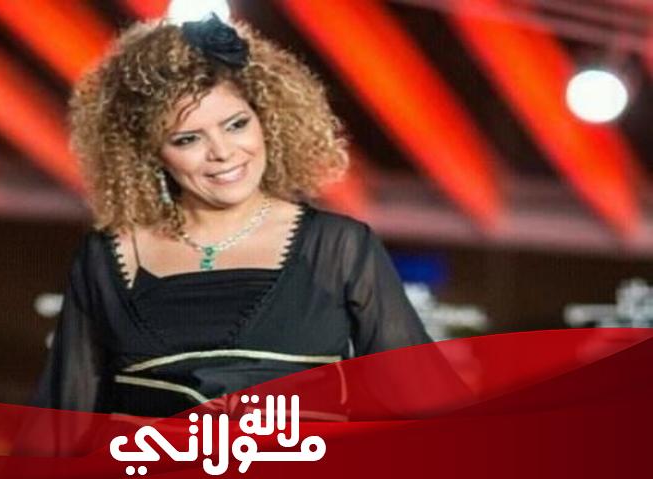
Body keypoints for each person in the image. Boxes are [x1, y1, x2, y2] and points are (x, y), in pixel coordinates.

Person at [34, 15, 432, 418]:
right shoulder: (104, 259)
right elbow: (61, 426)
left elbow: (423, 405)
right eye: (188, 139)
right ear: (149, 153)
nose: (223, 152)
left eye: (236, 124)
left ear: (267, 119)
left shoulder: (340, 249)